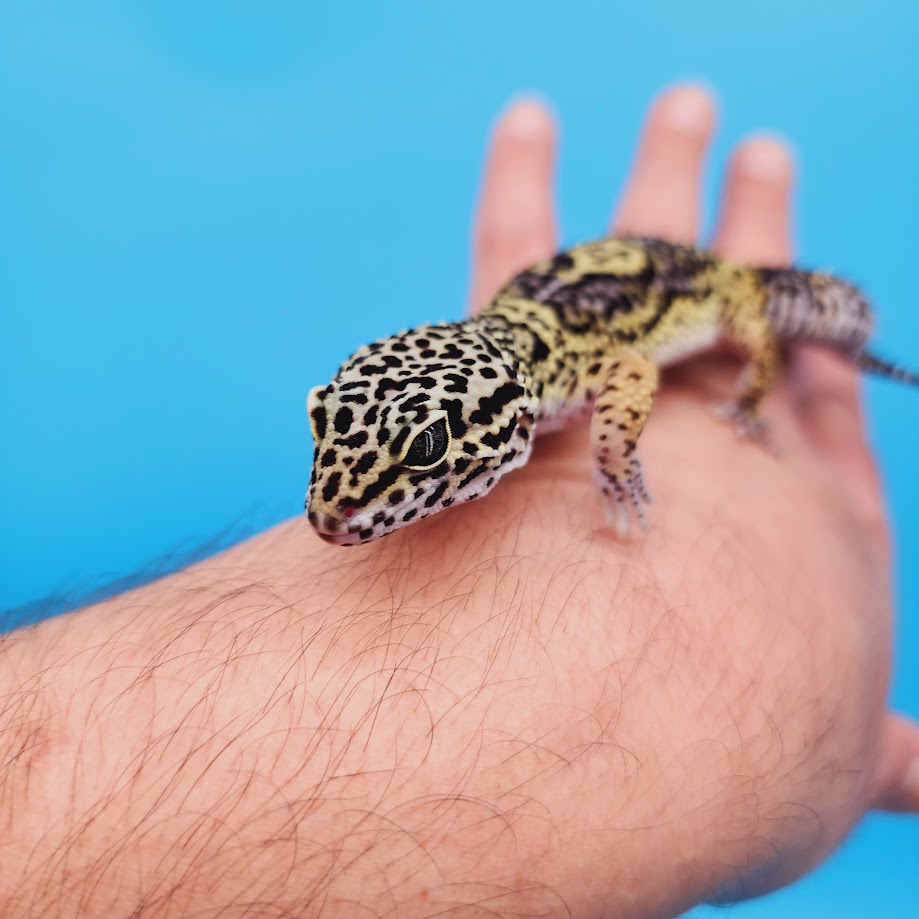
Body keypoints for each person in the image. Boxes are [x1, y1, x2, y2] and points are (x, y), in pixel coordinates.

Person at [0, 84, 916, 918]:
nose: (338, 508)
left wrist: (628, 455)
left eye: (425, 458)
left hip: (710, 291)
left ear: (504, 422)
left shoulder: (556, 382)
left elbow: (631, 365)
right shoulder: (488, 378)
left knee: (761, 321)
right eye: (335, 435)